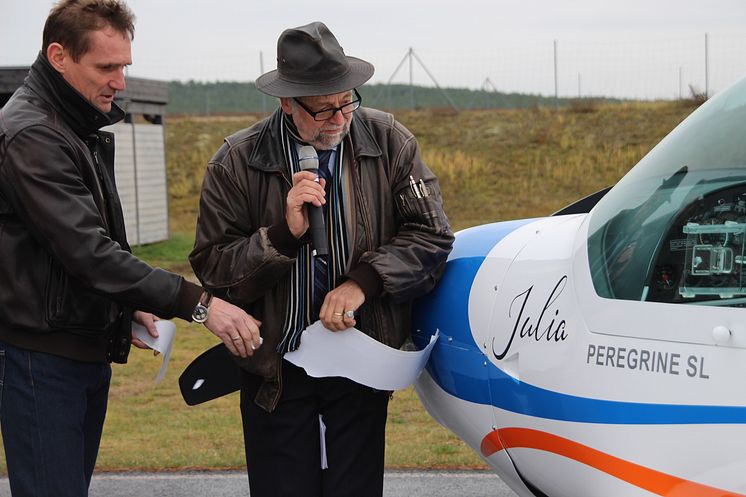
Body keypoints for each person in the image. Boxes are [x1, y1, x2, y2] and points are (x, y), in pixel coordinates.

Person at [0, 1, 262, 496]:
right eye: (106, 67)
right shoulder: (34, 133)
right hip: (42, 361)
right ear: (58, 56)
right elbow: (89, 253)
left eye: (124, 66)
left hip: (74, 351)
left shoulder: (72, 124)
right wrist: (200, 304)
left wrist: (128, 304)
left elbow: (72, 255)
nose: (119, 81)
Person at [189, 21, 454, 497]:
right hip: (274, 369)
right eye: (323, 110)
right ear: (287, 102)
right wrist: (282, 236)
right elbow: (213, 267)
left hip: (361, 361)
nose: (339, 118)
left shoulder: (390, 140)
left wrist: (364, 282)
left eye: (347, 101)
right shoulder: (235, 161)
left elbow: (432, 235)